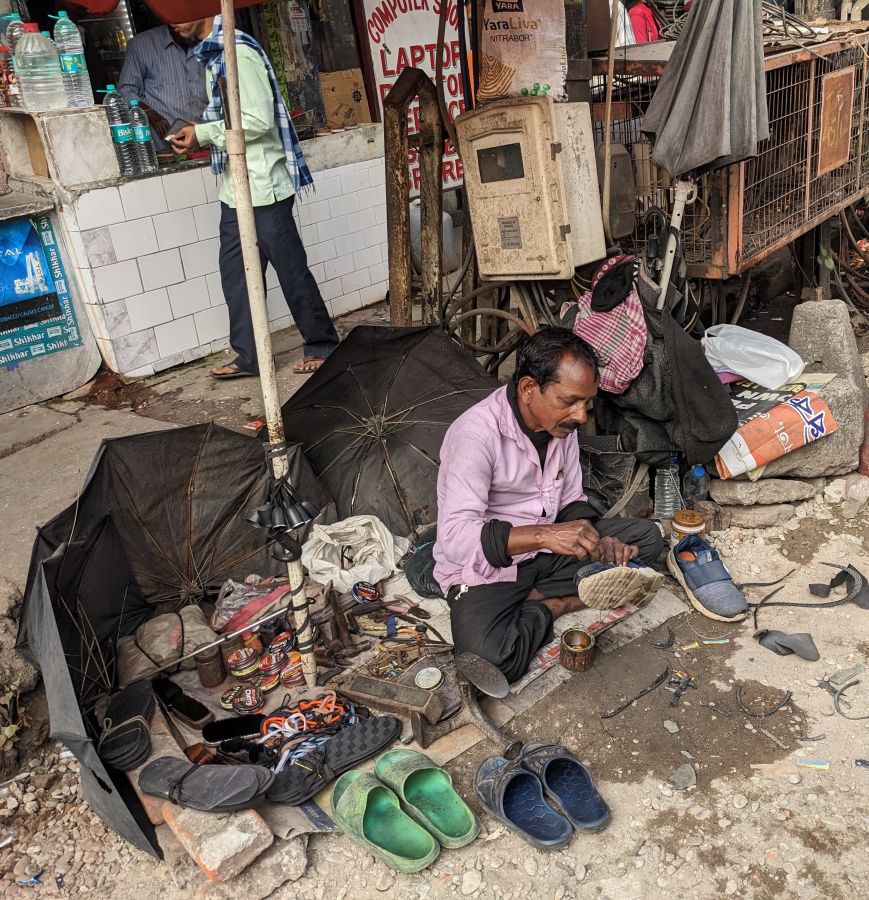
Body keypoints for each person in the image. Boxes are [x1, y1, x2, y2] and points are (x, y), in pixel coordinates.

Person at [432, 328, 666, 683]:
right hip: (491, 567)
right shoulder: (476, 435)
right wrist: (544, 535)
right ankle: (554, 604)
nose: (581, 416)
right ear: (529, 389)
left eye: (587, 403)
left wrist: (594, 540)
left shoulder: (561, 428)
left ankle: (541, 593)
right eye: (569, 401)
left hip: (547, 552)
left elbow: (571, 497)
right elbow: (454, 537)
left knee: (648, 539)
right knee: (489, 661)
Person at [168, 16, 339, 378]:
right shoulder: (213, 54)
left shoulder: (237, 51)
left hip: (263, 187)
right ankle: (250, 356)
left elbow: (258, 120)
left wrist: (202, 132)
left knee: (291, 270)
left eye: (181, 12)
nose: (174, 21)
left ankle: (323, 344)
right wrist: (201, 132)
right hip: (235, 188)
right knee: (237, 276)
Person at [117, 22, 209, 149]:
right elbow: (126, 90)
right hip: (164, 146)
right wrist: (151, 115)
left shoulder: (208, 40)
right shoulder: (142, 44)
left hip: (207, 141)